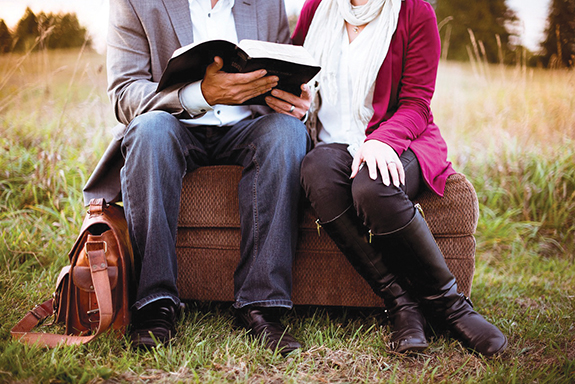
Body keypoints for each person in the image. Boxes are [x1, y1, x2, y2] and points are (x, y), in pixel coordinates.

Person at [83, 0, 311, 354]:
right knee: (149, 131)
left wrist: (294, 98)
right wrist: (200, 95)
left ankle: (262, 306)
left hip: (248, 126)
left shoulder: (268, 3)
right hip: (174, 123)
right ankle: (156, 304)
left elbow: (283, 71)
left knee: (288, 134)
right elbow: (124, 94)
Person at [292, 0, 508, 357]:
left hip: (399, 138)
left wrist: (381, 140)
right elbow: (293, 76)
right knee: (316, 170)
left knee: (372, 185)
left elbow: (417, 101)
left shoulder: (414, 11)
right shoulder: (315, 9)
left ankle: (450, 305)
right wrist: (289, 100)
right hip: (331, 143)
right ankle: (402, 304)